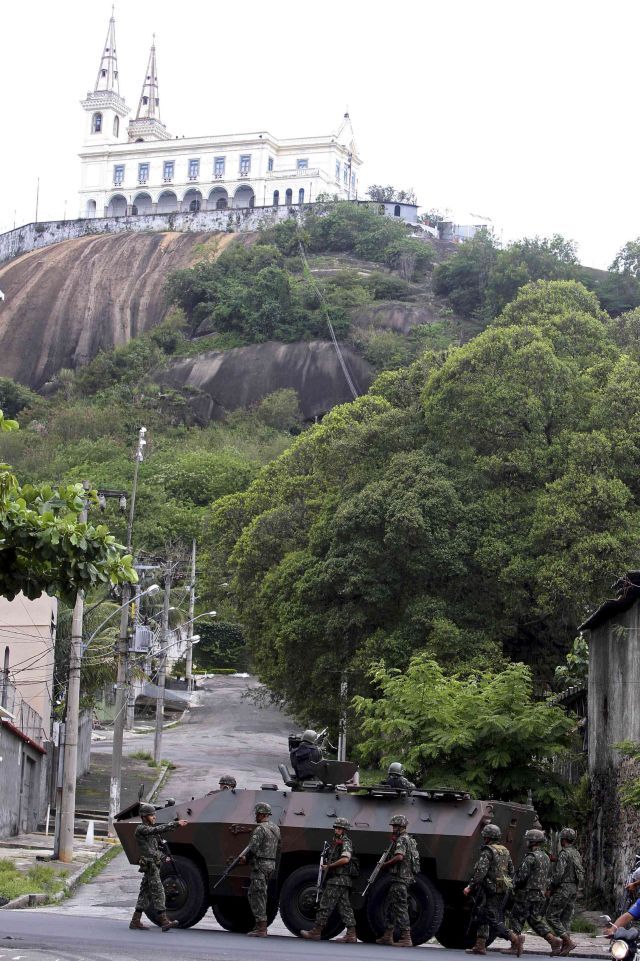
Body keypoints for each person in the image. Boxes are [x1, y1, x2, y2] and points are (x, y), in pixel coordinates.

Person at [463, 823, 521, 956]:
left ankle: (513, 937)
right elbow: (511, 871)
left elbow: (480, 872)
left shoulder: (488, 851)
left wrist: (470, 886)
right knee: (482, 914)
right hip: (502, 888)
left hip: (489, 889)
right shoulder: (505, 851)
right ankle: (480, 946)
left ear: (488, 837)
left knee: (489, 916)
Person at [130, 802, 188, 932]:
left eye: (154, 815)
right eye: (151, 815)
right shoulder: (142, 829)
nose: (154, 817)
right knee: (159, 891)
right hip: (150, 865)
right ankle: (164, 921)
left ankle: (135, 921)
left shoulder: (149, 831)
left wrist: (162, 856)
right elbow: (156, 830)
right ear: (144, 817)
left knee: (145, 893)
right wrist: (175, 824)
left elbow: (153, 848)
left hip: (153, 864)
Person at [301, 817, 358, 943]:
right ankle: (351, 934)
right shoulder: (337, 842)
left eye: (339, 828)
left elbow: (345, 859)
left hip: (338, 879)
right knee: (345, 907)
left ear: (344, 830)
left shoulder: (345, 842)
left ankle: (316, 931)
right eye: (336, 828)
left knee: (325, 904)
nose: (337, 830)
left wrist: (329, 866)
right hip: (341, 880)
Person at [510, 829, 562, 955]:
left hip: (527, 893)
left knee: (516, 917)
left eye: (528, 840)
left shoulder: (531, 857)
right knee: (534, 919)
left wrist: (512, 884)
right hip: (539, 894)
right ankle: (553, 940)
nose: (526, 842)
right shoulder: (545, 856)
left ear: (532, 842)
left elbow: (522, 877)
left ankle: (515, 945)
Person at [237, 801, 280, 937]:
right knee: (261, 893)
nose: (255, 816)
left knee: (257, 895)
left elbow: (253, 848)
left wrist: (245, 859)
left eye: (257, 814)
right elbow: (279, 845)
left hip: (260, 866)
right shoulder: (275, 828)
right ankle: (259, 925)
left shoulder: (260, 829)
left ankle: (261, 928)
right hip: (270, 865)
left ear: (261, 814)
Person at [375, 814, 416, 948]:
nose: (393, 829)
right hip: (403, 877)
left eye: (395, 826)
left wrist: (385, 865)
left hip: (400, 878)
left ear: (401, 827)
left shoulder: (402, 840)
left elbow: (399, 857)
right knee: (391, 905)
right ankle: (388, 935)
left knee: (400, 906)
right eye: (393, 826)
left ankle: (406, 937)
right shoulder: (408, 839)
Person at [545, 827, 583, 956]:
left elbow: (559, 874)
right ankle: (565, 948)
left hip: (564, 888)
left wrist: (550, 888)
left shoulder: (564, 853)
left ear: (563, 839)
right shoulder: (576, 853)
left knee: (551, 916)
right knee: (565, 918)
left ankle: (567, 941)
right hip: (574, 888)